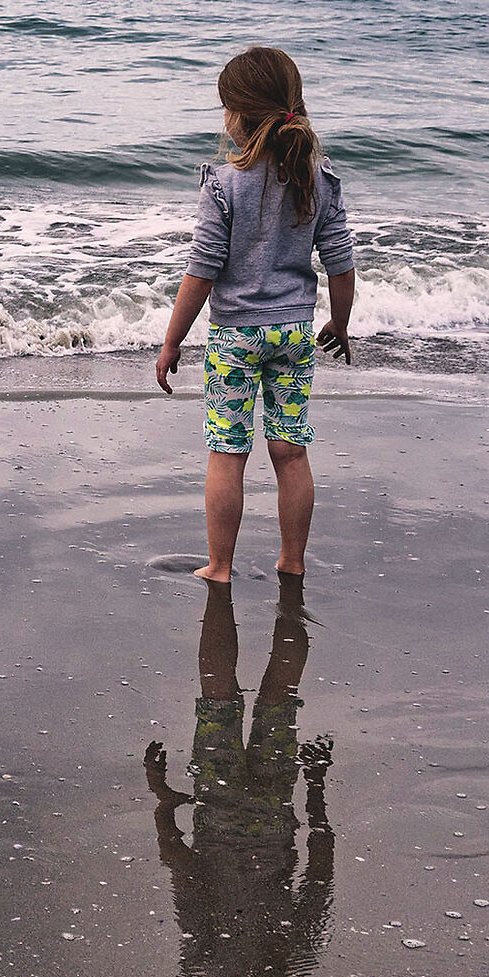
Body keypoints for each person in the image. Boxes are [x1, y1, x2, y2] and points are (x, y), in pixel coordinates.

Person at [154, 45, 355, 592]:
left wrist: (172, 343)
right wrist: (338, 323)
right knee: (291, 451)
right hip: (293, 332)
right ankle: (293, 560)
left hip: (236, 337)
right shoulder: (319, 178)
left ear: (238, 116)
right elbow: (340, 261)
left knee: (227, 451)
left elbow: (200, 272)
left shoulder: (223, 184)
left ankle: (219, 566)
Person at [144, 573, 335, 977]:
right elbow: (180, 865)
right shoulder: (204, 958)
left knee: (279, 692)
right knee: (219, 692)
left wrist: (314, 786)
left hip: (274, 806)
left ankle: (286, 594)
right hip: (219, 795)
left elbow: (320, 868)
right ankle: (227, 589)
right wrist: (161, 798)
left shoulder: (294, 956)